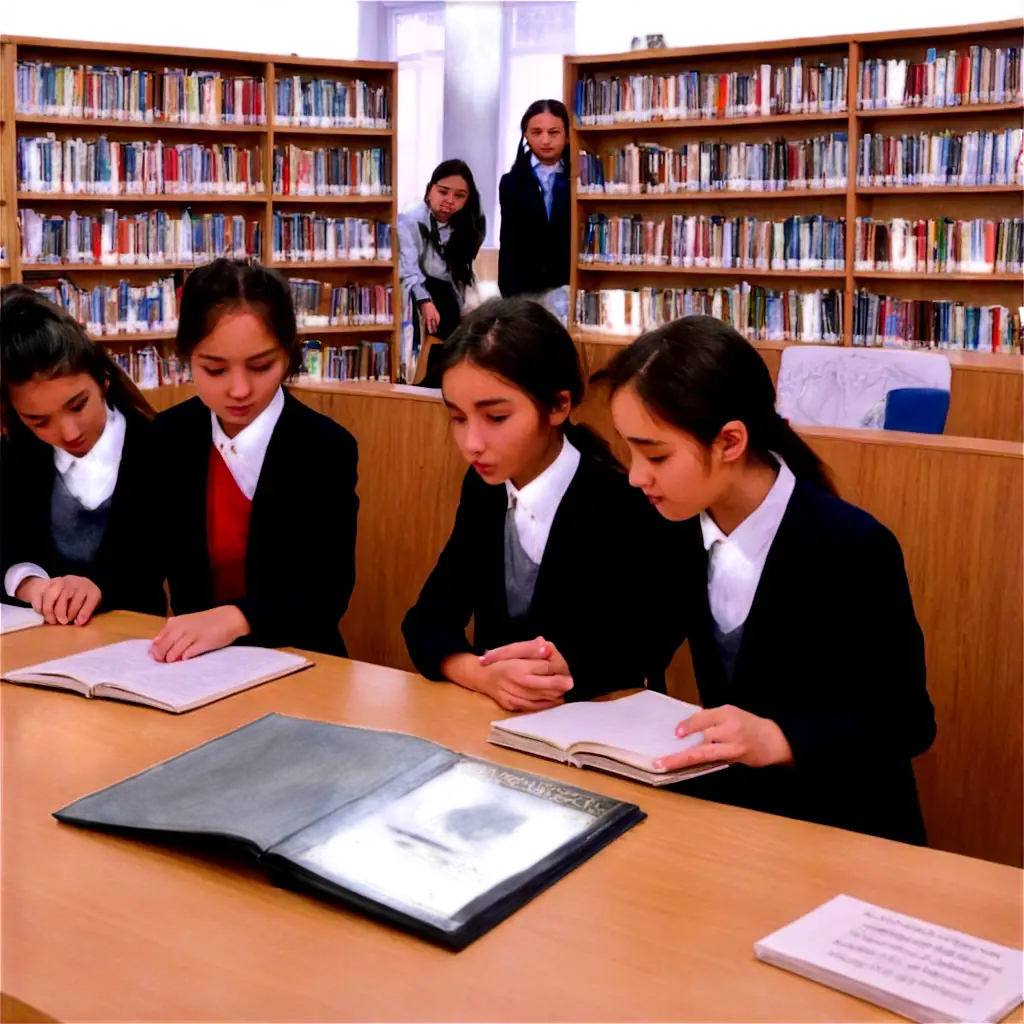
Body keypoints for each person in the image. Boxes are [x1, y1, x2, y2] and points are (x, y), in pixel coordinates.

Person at [598, 315, 936, 844]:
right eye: (630, 450)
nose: (638, 475)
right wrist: (562, 661)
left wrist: (780, 738)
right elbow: (639, 643)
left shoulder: (850, 545)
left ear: (730, 441)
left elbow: (908, 720)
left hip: (845, 829)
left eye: (656, 454)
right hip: (737, 823)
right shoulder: (674, 522)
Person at [402, 296, 672, 712]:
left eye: (496, 418)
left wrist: (560, 672)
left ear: (558, 405)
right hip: (495, 725)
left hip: (595, 728)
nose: (472, 444)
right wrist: (480, 674)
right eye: (458, 418)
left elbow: (640, 648)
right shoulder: (484, 490)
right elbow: (426, 622)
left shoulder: (621, 500)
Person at [142, 258, 358, 661]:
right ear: (186, 356)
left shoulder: (325, 447)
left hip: (299, 659)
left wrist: (236, 619)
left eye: (261, 367)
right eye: (214, 369)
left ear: (289, 355)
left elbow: (326, 593)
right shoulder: (167, 437)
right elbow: (138, 563)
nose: (239, 390)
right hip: (192, 665)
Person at [0, 285, 164, 624]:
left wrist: (100, 586)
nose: (69, 434)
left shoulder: (156, 445)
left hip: (135, 644)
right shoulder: (17, 454)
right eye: (38, 421)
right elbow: (8, 546)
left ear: (103, 380)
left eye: (78, 405)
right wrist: (29, 583)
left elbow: (156, 561)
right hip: (39, 643)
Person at [398, 159, 486, 385]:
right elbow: (409, 268)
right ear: (430, 190)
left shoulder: (470, 224)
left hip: (450, 285)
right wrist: (424, 301)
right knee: (443, 309)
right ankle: (422, 380)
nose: (449, 201)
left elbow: (460, 270)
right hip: (414, 285)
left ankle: (446, 378)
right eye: (443, 192)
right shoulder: (409, 220)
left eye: (459, 196)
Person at [498, 99, 570, 321]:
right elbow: (508, 243)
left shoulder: (579, 180)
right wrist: (509, 296)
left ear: (567, 137)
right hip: (523, 290)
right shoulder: (511, 182)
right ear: (526, 136)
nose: (545, 140)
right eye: (536, 132)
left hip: (567, 285)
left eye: (554, 132)